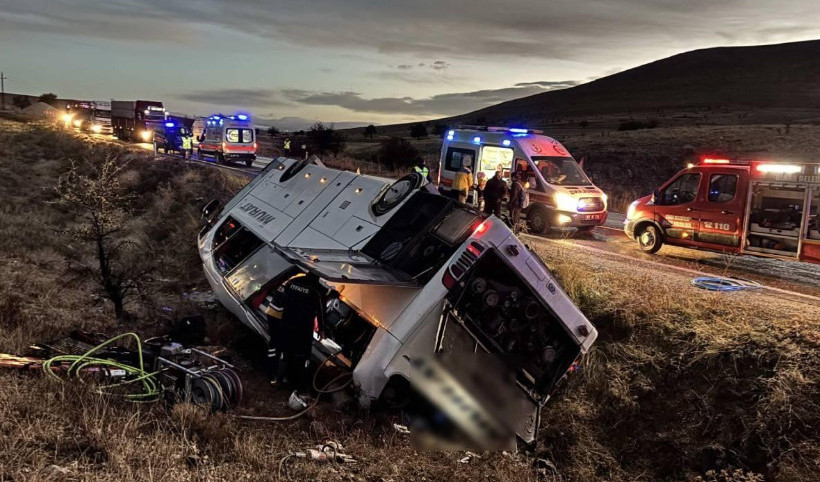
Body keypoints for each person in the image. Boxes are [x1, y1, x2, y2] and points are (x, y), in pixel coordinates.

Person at [265, 273, 328, 404]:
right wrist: (322, 330)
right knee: (303, 357)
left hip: (286, 323)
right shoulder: (317, 290)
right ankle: (301, 387)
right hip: (303, 329)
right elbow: (321, 312)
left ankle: (279, 380)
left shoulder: (292, 282)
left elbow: (281, 299)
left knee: (284, 352)